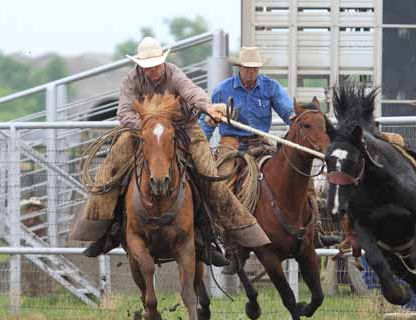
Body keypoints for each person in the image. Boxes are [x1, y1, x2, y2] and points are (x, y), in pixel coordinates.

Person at [70, 37, 271, 260]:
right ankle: (107, 230)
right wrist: (150, 127)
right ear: (140, 65)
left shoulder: (174, 73)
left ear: (163, 62)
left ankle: (215, 234)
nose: (153, 70)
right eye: (148, 66)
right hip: (142, 133)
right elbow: (124, 113)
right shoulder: (131, 80)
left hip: (184, 129)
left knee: (209, 175)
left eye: (156, 65)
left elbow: (192, 92)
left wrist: (208, 108)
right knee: (110, 171)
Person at [199, 47, 340, 274]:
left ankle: (317, 231)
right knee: (221, 186)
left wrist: (300, 118)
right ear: (240, 68)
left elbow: (288, 112)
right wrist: (200, 145)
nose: (251, 72)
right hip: (230, 144)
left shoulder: (270, 87)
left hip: (260, 142)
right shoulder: (222, 90)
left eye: (255, 68)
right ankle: (229, 242)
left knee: (299, 175)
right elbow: (206, 122)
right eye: (247, 68)